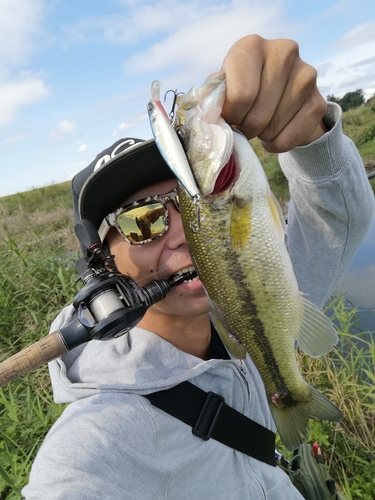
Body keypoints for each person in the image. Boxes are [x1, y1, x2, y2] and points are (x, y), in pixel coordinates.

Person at [23, 35, 374, 499]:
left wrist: (311, 136)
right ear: (101, 260)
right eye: (145, 220)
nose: (183, 233)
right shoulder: (99, 442)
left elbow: (337, 217)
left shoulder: (256, 301)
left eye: (187, 203)